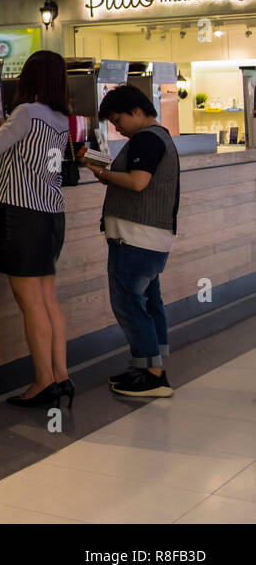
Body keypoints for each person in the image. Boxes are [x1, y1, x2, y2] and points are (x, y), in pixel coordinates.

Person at [0, 50, 72, 409]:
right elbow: (18, 147)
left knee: (31, 304)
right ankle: (61, 376)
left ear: (29, 77)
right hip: (52, 216)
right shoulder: (59, 118)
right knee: (47, 300)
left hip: (22, 216)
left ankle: (42, 381)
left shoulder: (26, 112)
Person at [81, 85, 180, 398]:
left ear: (136, 111)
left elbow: (138, 182)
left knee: (128, 303)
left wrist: (104, 174)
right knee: (150, 303)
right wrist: (104, 173)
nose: (116, 126)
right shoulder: (159, 137)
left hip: (137, 238)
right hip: (150, 238)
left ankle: (152, 374)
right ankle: (152, 364)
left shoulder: (147, 139)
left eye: (118, 118)